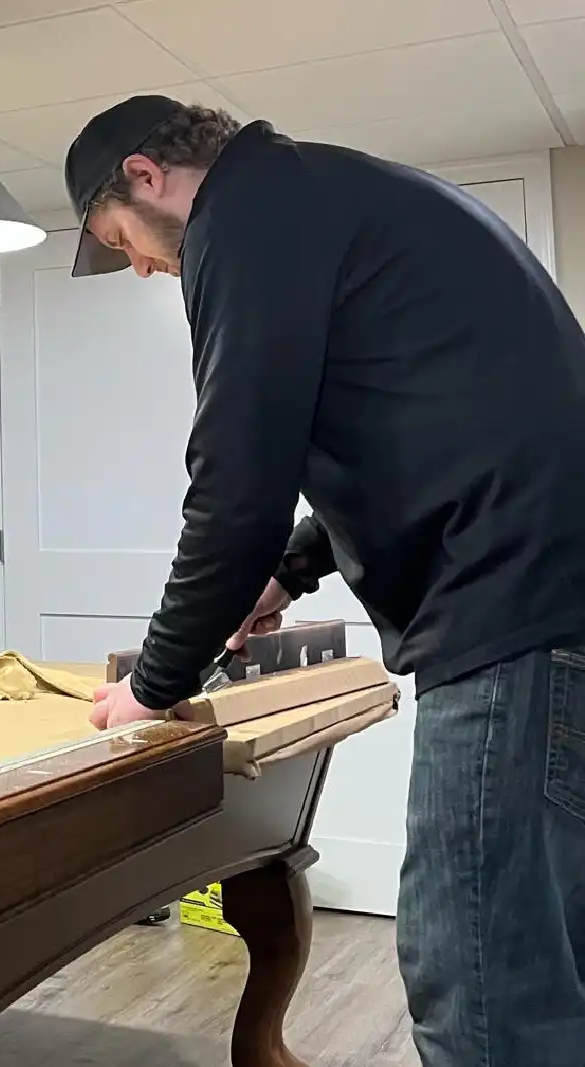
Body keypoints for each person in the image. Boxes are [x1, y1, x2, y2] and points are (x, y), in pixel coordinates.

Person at [64, 95, 585, 1067]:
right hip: (556, 601)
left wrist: (153, 685)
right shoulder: (322, 191)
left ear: (145, 177)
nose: (137, 263)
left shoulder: (248, 219)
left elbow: (235, 481)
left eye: (119, 239)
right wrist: (290, 568)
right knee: (544, 963)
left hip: (513, 612)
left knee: (480, 982)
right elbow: (420, 433)